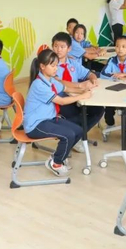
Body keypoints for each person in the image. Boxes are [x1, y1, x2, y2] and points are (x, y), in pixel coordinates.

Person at [24, 49, 92, 177]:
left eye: (56, 65)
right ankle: (56, 162)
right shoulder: (39, 84)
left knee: (78, 131)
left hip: (48, 119)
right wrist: (82, 96)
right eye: (53, 65)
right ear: (42, 66)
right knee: (68, 135)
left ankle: (59, 157)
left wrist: (84, 91)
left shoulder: (50, 80)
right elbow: (61, 101)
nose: (56, 68)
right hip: (36, 125)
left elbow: (66, 88)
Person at [51, 32, 103, 146]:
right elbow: (58, 82)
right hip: (60, 100)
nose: (58, 50)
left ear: (69, 49)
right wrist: (79, 85)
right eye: (56, 46)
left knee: (98, 110)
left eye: (62, 47)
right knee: (78, 116)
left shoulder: (72, 62)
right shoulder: (50, 64)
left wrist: (93, 79)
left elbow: (88, 73)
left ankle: (76, 136)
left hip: (77, 97)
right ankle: (73, 137)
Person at [99, 36, 126, 127]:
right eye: (117, 46)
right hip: (113, 90)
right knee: (109, 108)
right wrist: (115, 77)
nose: (120, 49)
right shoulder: (111, 61)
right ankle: (110, 124)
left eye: (123, 47)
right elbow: (102, 74)